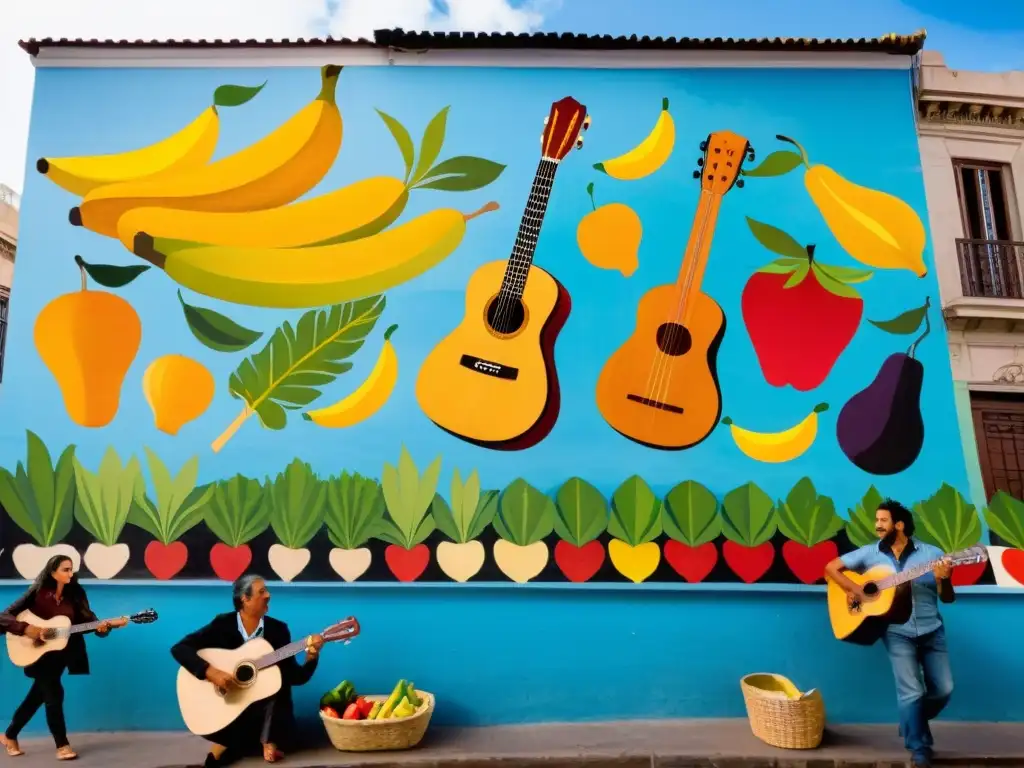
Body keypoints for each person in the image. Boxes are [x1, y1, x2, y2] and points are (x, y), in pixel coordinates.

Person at [824, 499, 955, 768]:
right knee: (911, 693)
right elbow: (830, 568)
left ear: (899, 524)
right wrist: (857, 590)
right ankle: (919, 747)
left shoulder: (932, 555)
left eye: (883, 521)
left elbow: (948, 599)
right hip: (896, 631)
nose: (877, 526)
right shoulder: (870, 554)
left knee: (943, 689)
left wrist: (944, 579)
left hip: (932, 629)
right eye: (876, 521)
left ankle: (910, 721)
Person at [171, 574, 324, 766]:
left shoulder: (278, 630)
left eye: (267, 591)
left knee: (276, 681)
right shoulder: (222, 624)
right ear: (245, 598)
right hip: (229, 708)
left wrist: (312, 657)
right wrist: (211, 672)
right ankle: (241, 743)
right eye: (262, 592)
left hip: (266, 712)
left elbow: (295, 677)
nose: (268, 595)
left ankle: (265, 740)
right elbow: (179, 648)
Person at [0, 555, 125, 760]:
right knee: (54, 695)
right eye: (65, 569)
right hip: (39, 654)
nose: (70, 573)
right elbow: (4, 616)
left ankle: (10, 734)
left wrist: (103, 628)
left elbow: (89, 621)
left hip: (63, 654)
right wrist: (26, 628)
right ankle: (62, 745)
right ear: (52, 572)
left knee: (37, 697)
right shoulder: (38, 592)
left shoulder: (76, 594)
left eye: (71, 569)